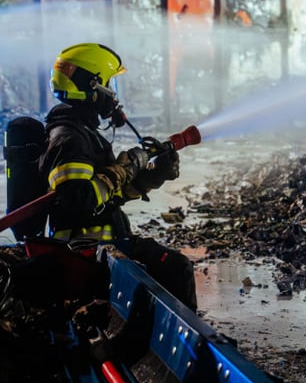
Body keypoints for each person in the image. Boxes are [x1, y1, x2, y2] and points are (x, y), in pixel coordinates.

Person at [21, 42, 198, 311]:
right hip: (84, 255)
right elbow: (79, 200)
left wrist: (149, 179)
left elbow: (105, 198)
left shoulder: (81, 133)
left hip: (96, 249)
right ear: (93, 86)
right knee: (176, 268)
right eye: (110, 85)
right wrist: (124, 169)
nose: (113, 96)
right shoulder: (69, 139)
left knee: (170, 267)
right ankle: (190, 348)